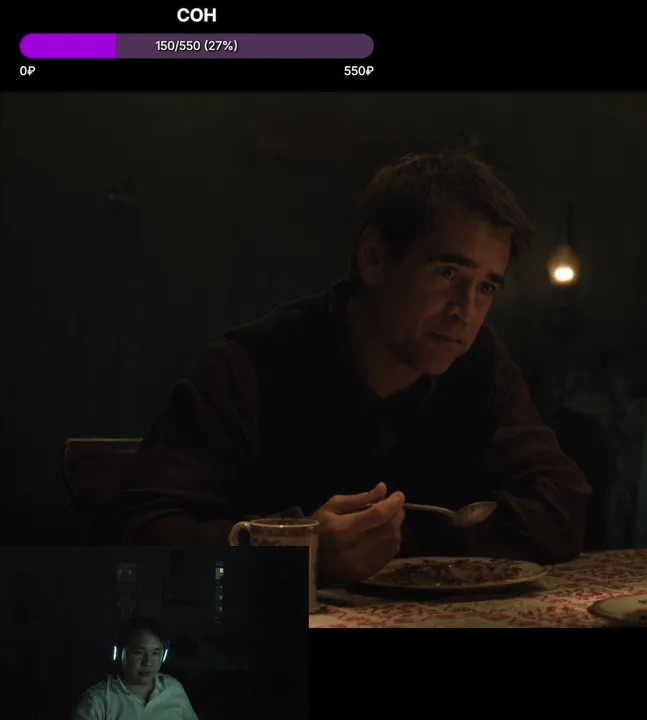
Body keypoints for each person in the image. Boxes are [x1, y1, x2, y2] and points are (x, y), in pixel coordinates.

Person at [109, 151, 591, 582]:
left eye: (486, 287)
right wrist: (295, 550)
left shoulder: (479, 363)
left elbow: (561, 504)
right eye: (447, 273)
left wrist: (407, 540)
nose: (464, 310)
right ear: (374, 258)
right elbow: (136, 531)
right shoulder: (252, 367)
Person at [73, 616, 197, 719]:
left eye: (155, 653)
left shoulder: (173, 689)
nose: (148, 662)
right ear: (119, 654)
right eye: (139, 652)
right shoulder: (97, 701)